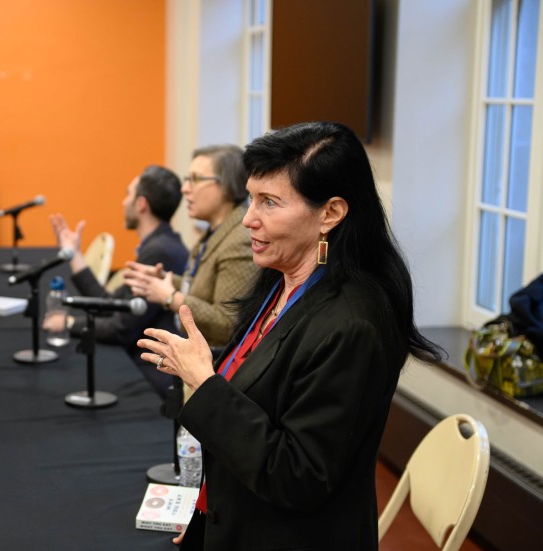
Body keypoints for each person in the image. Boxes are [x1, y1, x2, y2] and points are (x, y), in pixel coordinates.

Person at [137, 121, 444, 549]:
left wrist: (205, 382)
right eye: (250, 199)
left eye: (269, 203)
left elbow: (297, 475)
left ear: (330, 214)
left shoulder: (353, 324)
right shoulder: (282, 277)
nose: (248, 220)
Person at [44, 165, 189, 394]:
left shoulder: (160, 252)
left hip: (151, 380)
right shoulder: (160, 244)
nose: (123, 202)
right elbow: (111, 304)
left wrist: (69, 323)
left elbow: (122, 329)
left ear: (141, 204)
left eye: (128, 194)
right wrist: (74, 254)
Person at [125, 145, 258, 349]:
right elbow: (202, 286)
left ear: (226, 186)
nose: (185, 188)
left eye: (195, 179)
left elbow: (229, 323)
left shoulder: (240, 238)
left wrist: (170, 297)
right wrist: (164, 280)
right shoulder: (213, 232)